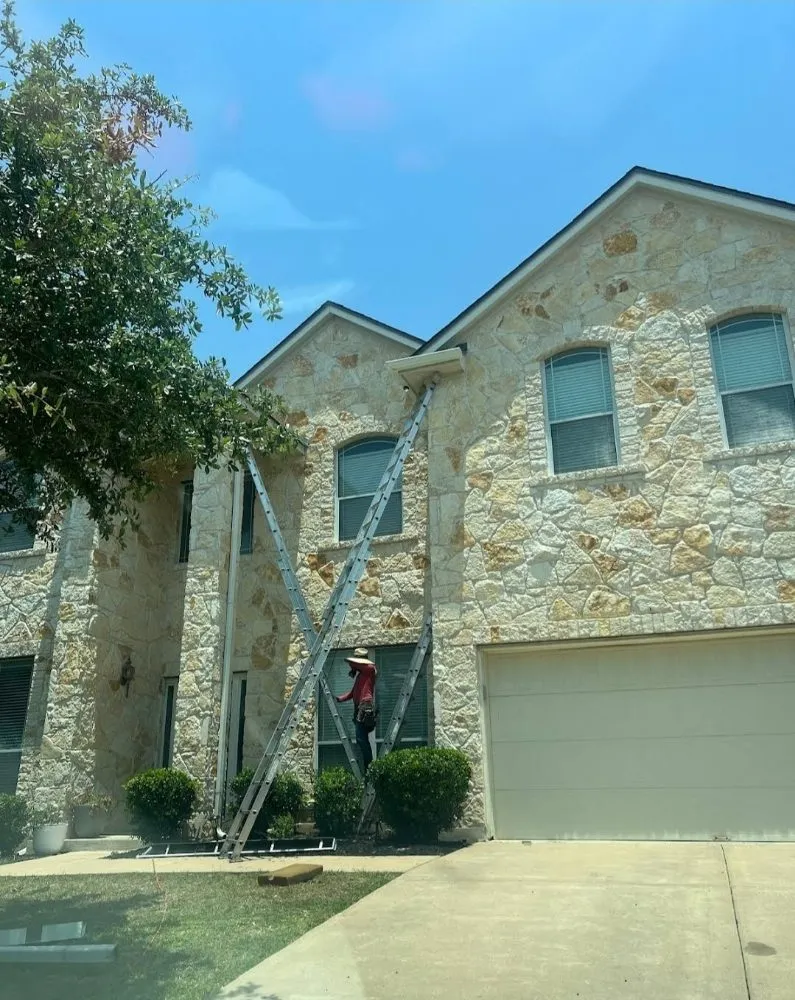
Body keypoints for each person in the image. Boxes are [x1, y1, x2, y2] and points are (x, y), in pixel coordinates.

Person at [336, 647, 377, 771]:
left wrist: (353, 665)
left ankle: (369, 766)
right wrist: (339, 699)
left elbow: (365, 665)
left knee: (361, 737)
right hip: (358, 707)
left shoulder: (370, 670)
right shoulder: (361, 675)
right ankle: (367, 765)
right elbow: (353, 693)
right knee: (361, 738)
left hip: (365, 706)